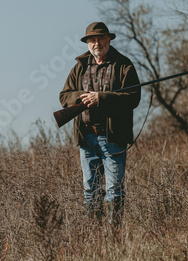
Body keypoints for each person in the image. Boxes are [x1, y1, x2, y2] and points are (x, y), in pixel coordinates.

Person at [59, 22, 141, 226]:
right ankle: (95, 234)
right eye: (92, 40)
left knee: (114, 189)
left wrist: (101, 98)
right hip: (86, 138)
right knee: (90, 189)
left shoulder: (124, 65)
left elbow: (133, 97)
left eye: (101, 38)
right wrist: (82, 97)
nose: (97, 43)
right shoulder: (79, 67)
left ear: (109, 39)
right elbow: (64, 96)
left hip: (113, 137)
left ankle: (114, 235)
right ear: (87, 43)